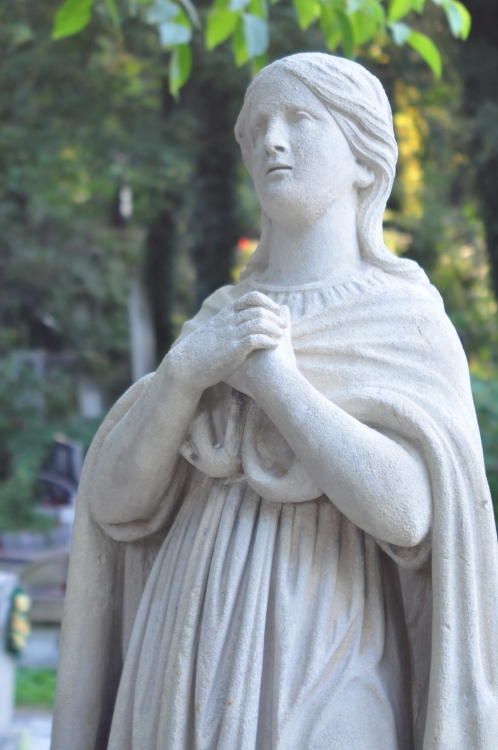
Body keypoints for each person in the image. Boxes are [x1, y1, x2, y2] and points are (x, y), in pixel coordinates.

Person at [51, 54, 498, 750]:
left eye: (298, 119)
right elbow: (114, 506)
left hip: (327, 649)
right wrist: (180, 378)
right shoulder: (217, 319)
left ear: (364, 158)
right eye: (256, 126)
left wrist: (277, 383)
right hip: (182, 657)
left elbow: (411, 513)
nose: (272, 140)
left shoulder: (404, 320)